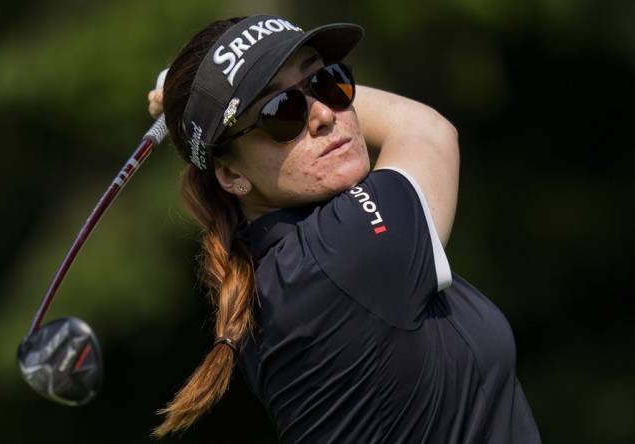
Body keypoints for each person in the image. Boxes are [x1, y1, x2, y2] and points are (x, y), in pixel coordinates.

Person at [147, 14, 541, 443]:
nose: (323, 113)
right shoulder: (341, 253)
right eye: (280, 112)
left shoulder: (279, 266)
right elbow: (425, 129)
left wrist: (203, 108)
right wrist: (196, 107)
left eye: (326, 80)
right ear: (230, 174)